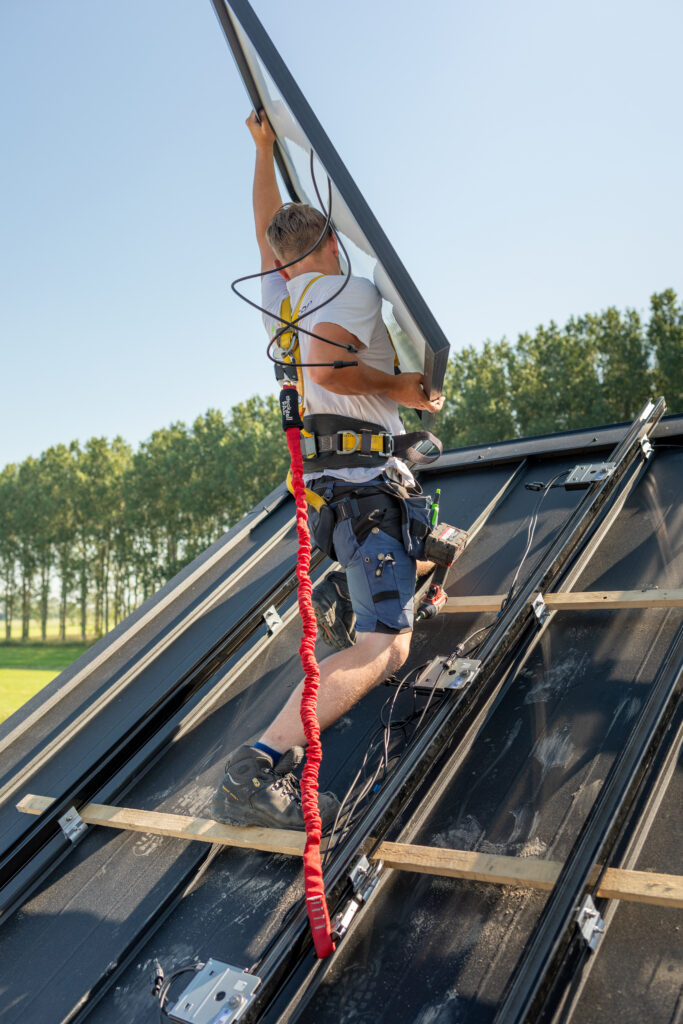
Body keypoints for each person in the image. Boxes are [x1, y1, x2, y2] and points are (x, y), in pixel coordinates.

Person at [210, 111, 444, 830]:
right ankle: (257, 768)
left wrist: (260, 153)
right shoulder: (349, 290)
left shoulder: (281, 301)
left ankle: (364, 590)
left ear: (281, 259)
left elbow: (263, 231)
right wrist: (409, 390)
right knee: (387, 645)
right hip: (361, 489)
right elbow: (335, 374)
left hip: (338, 490)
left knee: (417, 555)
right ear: (335, 244)